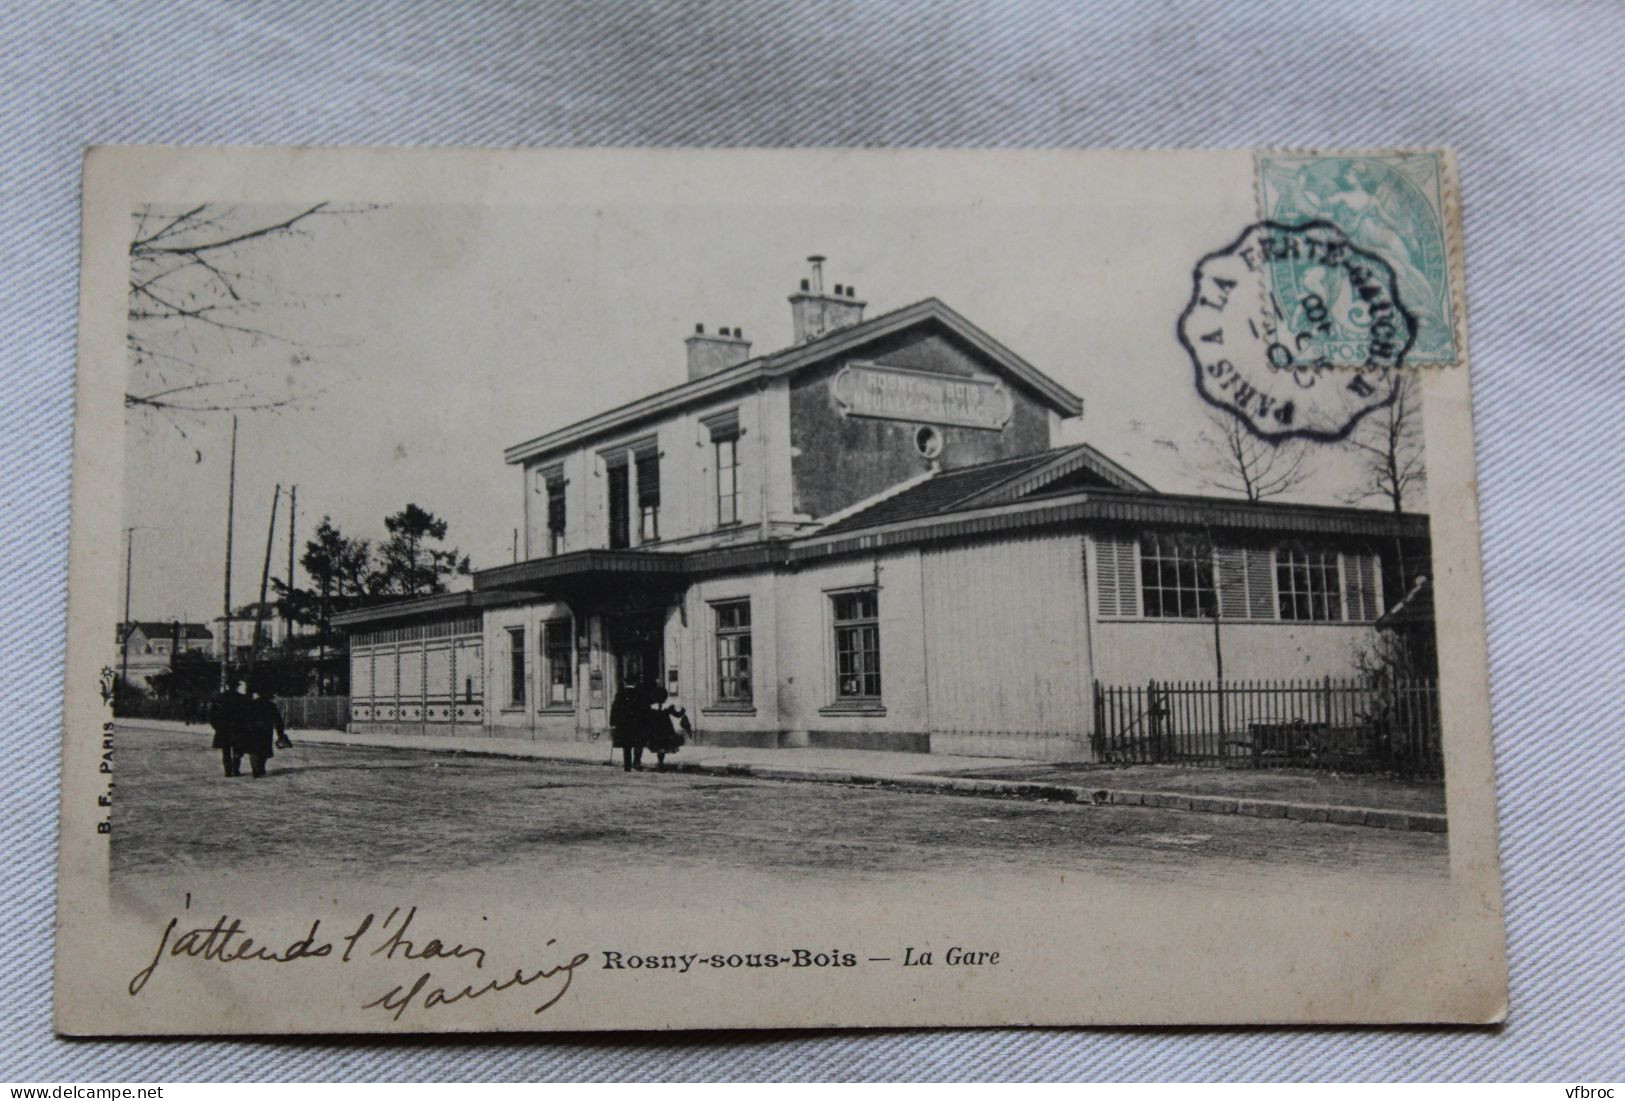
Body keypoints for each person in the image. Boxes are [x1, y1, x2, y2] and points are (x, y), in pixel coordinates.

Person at [207, 677, 250, 777]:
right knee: (237, 750)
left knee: (226, 751)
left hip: (224, 728)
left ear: (227, 686)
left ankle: (228, 771)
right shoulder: (242, 698)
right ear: (237, 687)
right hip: (238, 728)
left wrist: (216, 725)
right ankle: (235, 769)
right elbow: (247, 714)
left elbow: (212, 713)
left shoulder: (220, 697)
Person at [239, 684, 284, 778]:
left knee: (253, 750)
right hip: (266, 731)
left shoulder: (251, 704)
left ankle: (255, 769)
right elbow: (278, 721)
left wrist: (245, 729)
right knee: (263, 750)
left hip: (253, 730)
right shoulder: (271, 705)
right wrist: (280, 733)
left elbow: (245, 719)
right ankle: (261, 767)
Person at [645, 684, 691, 772]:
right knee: (663, 745)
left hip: (655, 729)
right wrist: (682, 710)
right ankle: (661, 763)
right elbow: (677, 714)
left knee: (658, 746)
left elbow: (648, 718)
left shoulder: (652, 707)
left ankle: (660, 763)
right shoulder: (668, 707)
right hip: (666, 729)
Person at [609, 673, 648, 772]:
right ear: (635, 683)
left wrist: (612, 722)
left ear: (625, 683)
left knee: (626, 745)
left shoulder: (620, 694)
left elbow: (614, 709)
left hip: (624, 725)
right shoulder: (640, 694)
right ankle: (637, 762)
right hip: (637, 724)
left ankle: (627, 766)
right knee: (638, 743)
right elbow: (645, 709)